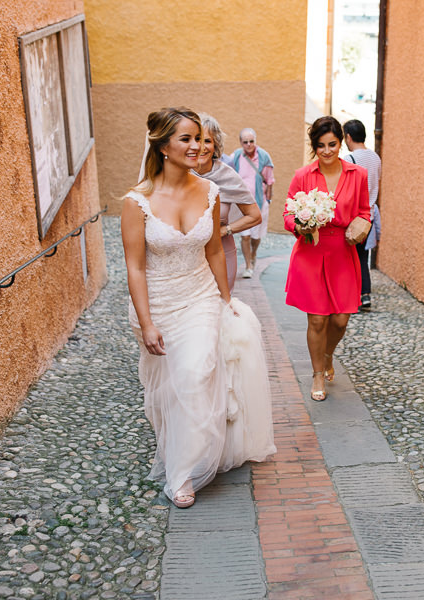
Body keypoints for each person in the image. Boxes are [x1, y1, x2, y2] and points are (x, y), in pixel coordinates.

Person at [121, 107, 275, 510]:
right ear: (163, 145)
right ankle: (181, 447)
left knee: (196, 371)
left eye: (198, 138)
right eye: (185, 139)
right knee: (169, 386)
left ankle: (183, 474)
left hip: (201, 296)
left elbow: (214, 254)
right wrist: (147, 322)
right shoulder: (136, 202)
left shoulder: (210, 192)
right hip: (160, 302)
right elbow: (135, 267)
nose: (195, 146)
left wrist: (226, 301)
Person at [284, 116, 370, 401]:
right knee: (318, 320)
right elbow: (287, 213)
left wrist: (361, 226)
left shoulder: (357, 174)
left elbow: (364, 211)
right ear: (314, 146)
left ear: (341, 141)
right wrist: (299, 225)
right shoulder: (303, 175)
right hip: (311, 251)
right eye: (320, 146)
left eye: (332, 144)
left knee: (341, 320)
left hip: (342, 252)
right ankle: (317, 373)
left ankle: (328, 354)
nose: (327, 151)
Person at [194, 114, 262, 290]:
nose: (201, 147)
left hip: (222, 252)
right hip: (188, 256)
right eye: (196, 140)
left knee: (220, 307)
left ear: (216, 144)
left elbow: (254, 216)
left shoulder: (227, 175)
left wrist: (225, 230)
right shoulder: (179, 175)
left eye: (207, 141)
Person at [344, 119, 382, 311]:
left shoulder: (349, 159)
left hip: (354, 216)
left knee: (351, 258)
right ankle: (365, 294)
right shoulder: (376, 158)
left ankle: (354, 296)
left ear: (348, 137)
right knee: (362, 257)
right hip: (370, 215)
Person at [231, 128, 274, 278]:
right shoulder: (235, 156)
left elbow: (269, 181)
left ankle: (253, 254)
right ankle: (248, 266)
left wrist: (268, 200)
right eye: (245, 142)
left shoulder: (264, 157)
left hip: (260, 203)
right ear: (240, 143)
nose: (249, 145)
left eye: (251, 141)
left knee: (256, 236)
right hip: (242, 204)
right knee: (245, 236)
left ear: (255, 141)